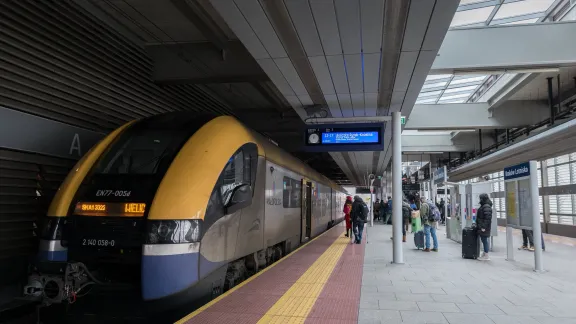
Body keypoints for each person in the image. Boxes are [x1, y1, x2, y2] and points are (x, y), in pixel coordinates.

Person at [476, 193, 493, 261]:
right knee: (483, 240)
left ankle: (486, 255)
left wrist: (483, 227)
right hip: (483, 226)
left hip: (484, 227)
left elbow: (487, 218)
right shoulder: (485, 205)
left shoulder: (486, 206)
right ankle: (484, 253)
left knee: (484, 240)